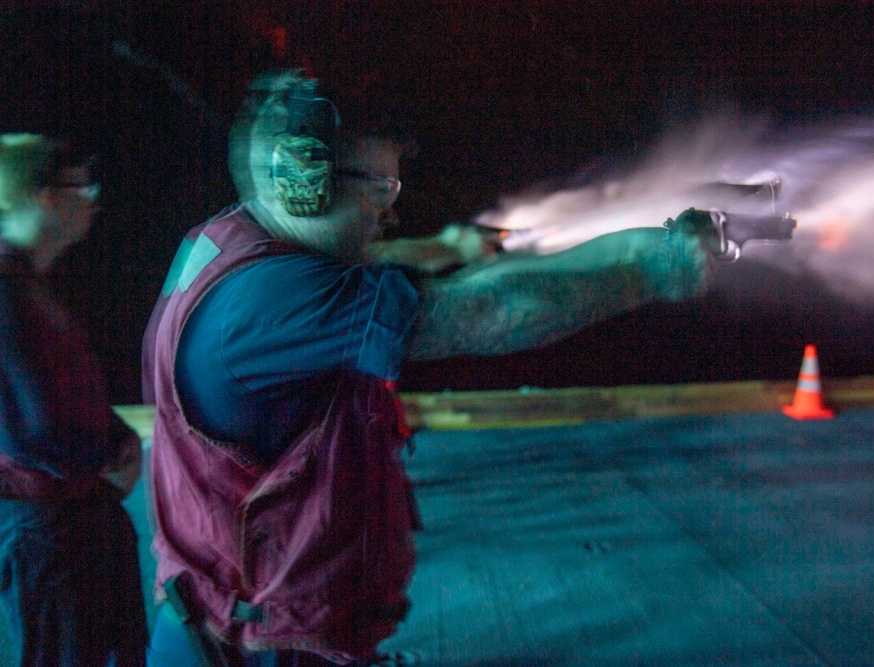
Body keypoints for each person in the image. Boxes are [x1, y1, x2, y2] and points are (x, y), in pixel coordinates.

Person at [142, 70, 716, 666]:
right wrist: (652, 272)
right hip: (258, 651)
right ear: (306, 180)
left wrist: (449, 248)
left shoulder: (231, 243)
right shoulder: (273, 302)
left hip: (232, 626)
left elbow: (363, 265)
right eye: (381, 190)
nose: (389, 215)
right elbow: (489, 311)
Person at [0, 133, 147, 666]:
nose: (93, 202)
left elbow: (64, 396)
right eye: (82, 189)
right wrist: (104, 461)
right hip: (51, 530)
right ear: (43, 196)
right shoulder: (7, 291)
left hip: (70, 523)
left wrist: (117, 436)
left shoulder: (31, 283)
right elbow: (27, 429)